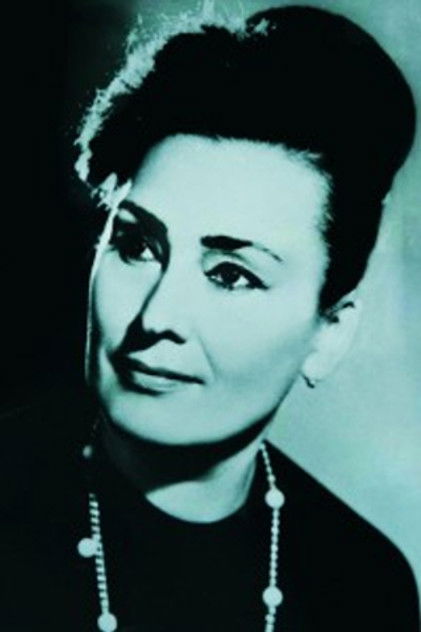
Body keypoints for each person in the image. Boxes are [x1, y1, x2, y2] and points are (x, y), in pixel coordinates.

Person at [0, 5, 419, 632]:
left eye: (231, 274)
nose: (157, 317)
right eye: (137, 246)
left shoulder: (365, 588)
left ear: (328, 334)